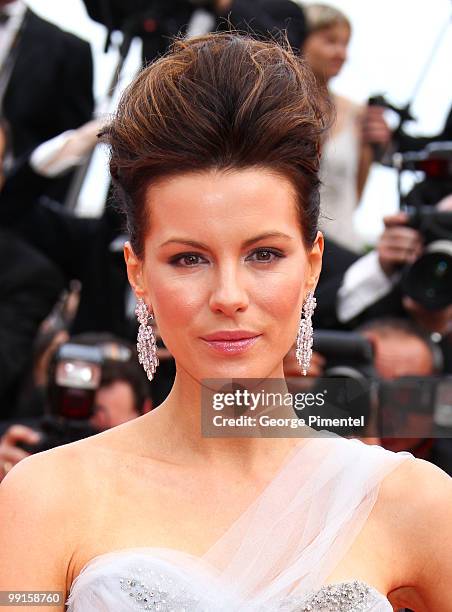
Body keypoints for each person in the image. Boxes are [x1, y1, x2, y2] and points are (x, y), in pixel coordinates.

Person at [0, 32, 451, 612]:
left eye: (264, 254)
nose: (228, 296)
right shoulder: (47, 496)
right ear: (137, 272)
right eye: (189, 259)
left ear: (312, 264)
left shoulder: (411, 502)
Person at [301, 4, 379, 253]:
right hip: (299, 245)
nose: (341, 53)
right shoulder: (278, 109)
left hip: (343, 245)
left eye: (345, 44)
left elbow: (356, 196)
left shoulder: (359, 114)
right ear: (302, 39)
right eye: (330, 41)